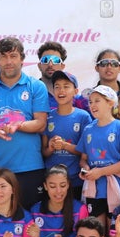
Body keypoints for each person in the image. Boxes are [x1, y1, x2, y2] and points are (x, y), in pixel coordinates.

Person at [0, 37, 49, 209]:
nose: (8, 61)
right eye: (4, 56)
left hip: (30, 168)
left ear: (22, 59)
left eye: (13, 56)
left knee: (32, 223)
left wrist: (18, 125)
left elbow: (41, 123)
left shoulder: (36, 86)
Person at [77, 85, 120, 231]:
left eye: (97, 100)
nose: (92, 105)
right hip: (95, 190)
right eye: (90, 102)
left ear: (110, 103)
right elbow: (83, 159)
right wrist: (85, 169)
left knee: (116, 233)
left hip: (117, 188)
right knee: (96, 232)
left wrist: (101, 172)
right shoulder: (88, 130)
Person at [42, 70, 92, 200]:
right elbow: (44, 152)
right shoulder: (48, 117)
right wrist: (51, 147)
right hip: (52, 182)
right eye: (57, 87)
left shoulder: (83, 117)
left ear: (76, 91)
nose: (61, 90)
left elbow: (86, 151)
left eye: (66, 86)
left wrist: (64, 145)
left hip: (75, 180)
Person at [36, 41, 88, 111]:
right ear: (39, 66)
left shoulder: (78, 100)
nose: (50, 64)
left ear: (62, 66)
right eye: (45, 60)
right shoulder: (32, 93)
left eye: (56, 60)